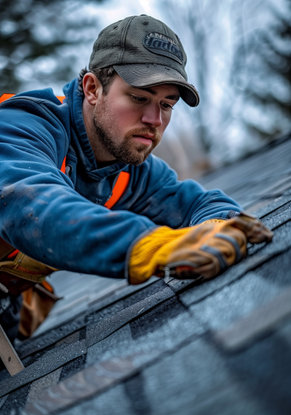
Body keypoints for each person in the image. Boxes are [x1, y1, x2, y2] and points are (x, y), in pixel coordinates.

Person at [0, 14, 272, 342]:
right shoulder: (22, 127)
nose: (154, 119)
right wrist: (144, 244)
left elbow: (196, 202)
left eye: (166, 105)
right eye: (139, 98)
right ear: (91, 89)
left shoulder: (129, 167)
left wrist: (216, 224)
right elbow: (31, 205)